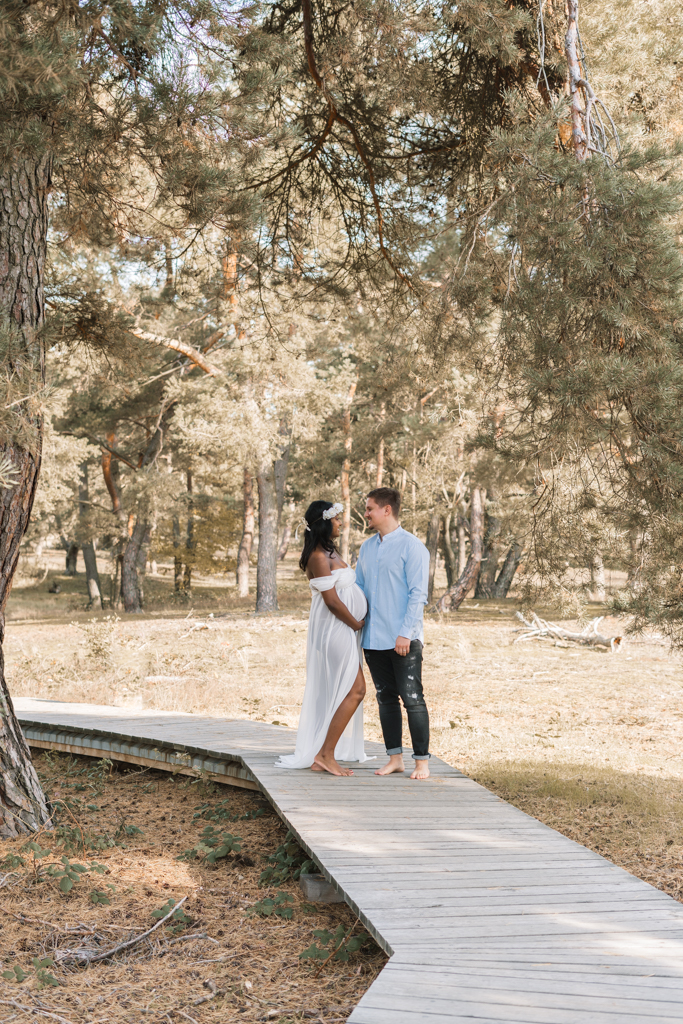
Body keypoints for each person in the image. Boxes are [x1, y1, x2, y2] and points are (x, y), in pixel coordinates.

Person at [275, 499, 370, 777]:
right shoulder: (318, 556)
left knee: (348, 690)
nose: (341, 523)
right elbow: (332, 601)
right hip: (335, 629)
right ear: (324, 523)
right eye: (337, 519)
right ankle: (325, 754)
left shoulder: (330, 551)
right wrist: (356, 623)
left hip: (343, 629)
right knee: (356, 690)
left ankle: (324, 754)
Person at [355, 487, 431, 780]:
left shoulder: (412, 547)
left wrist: (405, 634)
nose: (366, 514)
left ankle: (421, 761)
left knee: (412, 699)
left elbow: (417, 595)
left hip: (402, 639)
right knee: (386, 699)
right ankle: (395, 758)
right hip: (373, 639)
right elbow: (360, 588)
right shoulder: (367, 547)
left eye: (370, 508)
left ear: (387, 510)